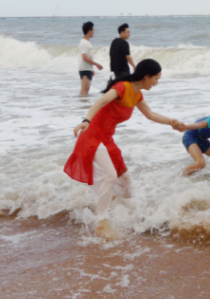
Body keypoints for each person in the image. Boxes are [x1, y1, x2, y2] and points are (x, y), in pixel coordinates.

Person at [64, 59, 185, 239]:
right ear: (146, 76)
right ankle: (101, 223)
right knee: (110, 175)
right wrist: (86, 120)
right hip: (92, 135)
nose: (156, 83)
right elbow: (100, 101)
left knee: (125, 180)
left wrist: (172, 122)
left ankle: (125, 215)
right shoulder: (122, 87)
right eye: (156, 78)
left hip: (106, 139)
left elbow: (150, 114)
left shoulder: (137, 94)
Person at [78, 21, 104, 97]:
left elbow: (88, 57)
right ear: (89, 31)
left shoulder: (87, 42)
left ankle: (84, 106)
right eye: (93, 30)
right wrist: (96, 64)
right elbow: (84, 57)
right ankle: (80, 106)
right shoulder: (84, 43)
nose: (93, 32)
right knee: (84, 90)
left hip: (87, 69)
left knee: (87, 89)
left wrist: (91, 69)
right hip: (84, 69)